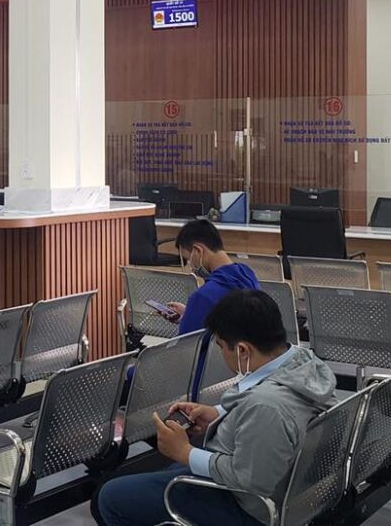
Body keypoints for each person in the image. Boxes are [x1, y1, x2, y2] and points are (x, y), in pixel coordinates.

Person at [97, 289, 336, 526]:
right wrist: (219, 414)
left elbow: (250, 481)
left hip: (245, 505)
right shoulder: (303, 362)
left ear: (243, 350)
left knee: (109, 498)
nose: (221, 353)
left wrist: (186, 452)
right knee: (154, 478)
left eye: (221, 346)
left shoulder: (267, 407)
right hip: (283, 488)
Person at [164, 219, 260, 334]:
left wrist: (195, 310)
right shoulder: (248, 275)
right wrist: (190, 314)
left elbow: (187, 343)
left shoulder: (204, 296)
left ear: (198, 250)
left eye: (188, 259)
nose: (191, 266)